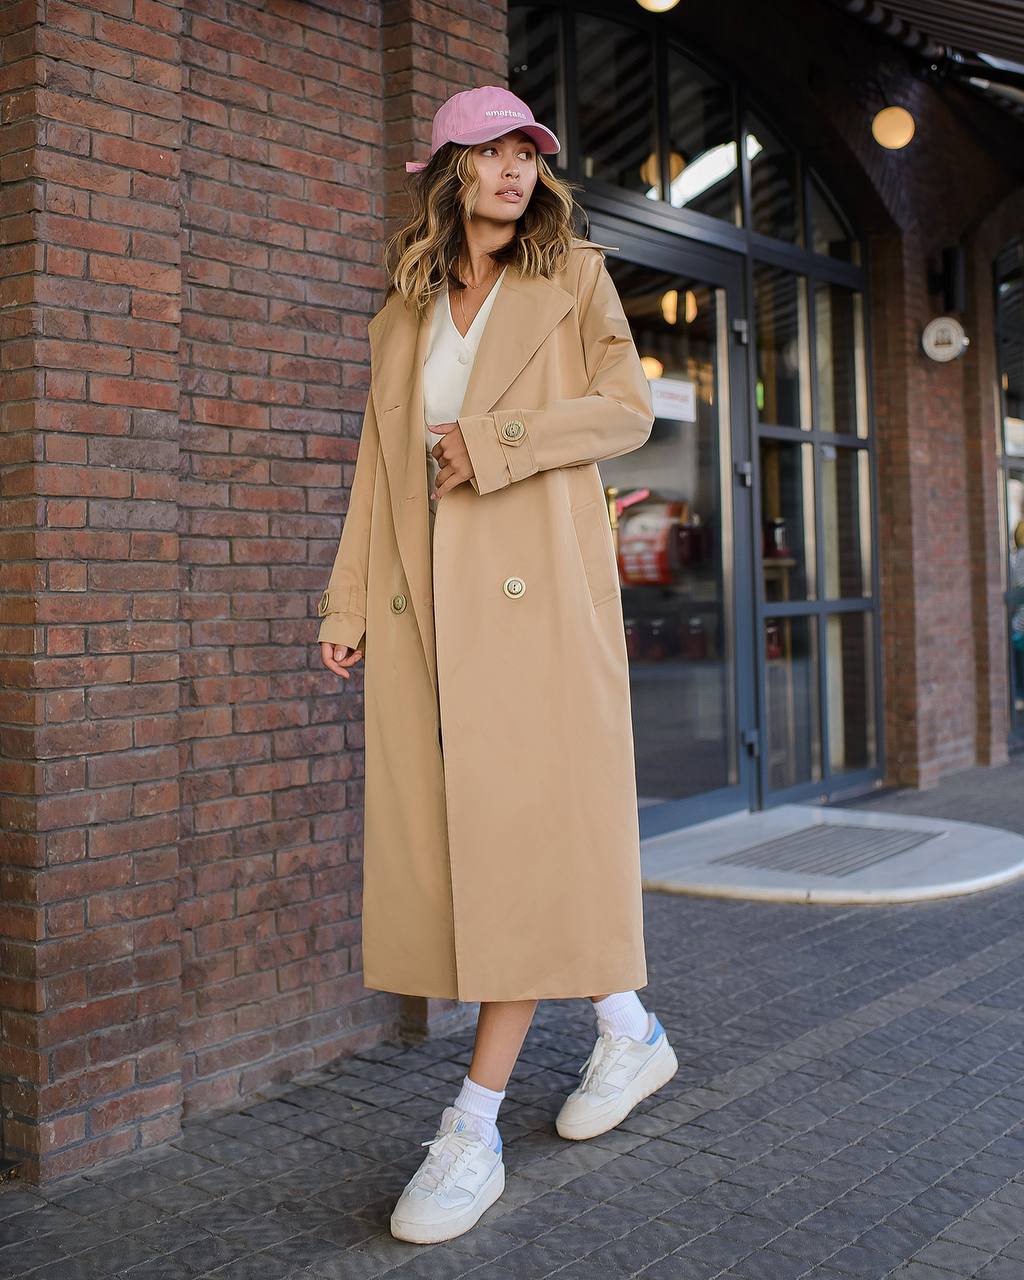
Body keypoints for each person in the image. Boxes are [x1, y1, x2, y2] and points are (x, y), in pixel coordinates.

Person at [316, 85, 677, 1245]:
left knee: (515, 844)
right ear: (447, 171)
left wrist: (495, 440)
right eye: (489, 153)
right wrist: (348, 600)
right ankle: (627, 1027)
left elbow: (627, 408)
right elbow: (380, 472)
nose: (515, 172)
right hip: (428, 609)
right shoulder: (400, 315)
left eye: (528, 154)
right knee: (457, 848)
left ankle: (471, 1125)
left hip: (536, 604)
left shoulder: (571, 277)